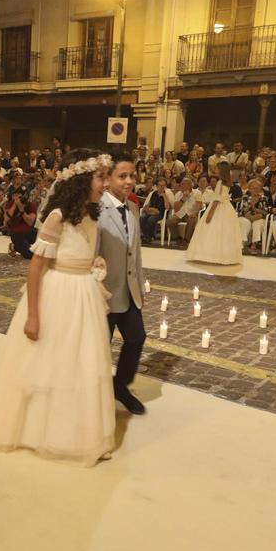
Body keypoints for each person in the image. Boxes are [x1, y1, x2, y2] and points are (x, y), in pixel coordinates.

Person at [0, 148, 116, 465]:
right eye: (100, 177)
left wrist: (90, 264)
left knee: (80, 362)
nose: (106, 184)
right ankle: (42, 432)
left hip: (83, 294)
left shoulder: (90, 215)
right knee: (53, 362)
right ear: (82, 179)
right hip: (59, 295)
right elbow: (36, 267)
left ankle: (77, 431)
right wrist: (32, 315)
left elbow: (76, 253)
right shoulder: (57, 218)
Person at [96, 151, 148, 414]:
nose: (129, 181)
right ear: (108, 178)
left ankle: (120, 386)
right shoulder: (97, 209)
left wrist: (140, 284)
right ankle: (94, 394)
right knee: (99, 348)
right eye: (122, 176)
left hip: (129, 292)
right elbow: (92, 254)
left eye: (132, 175)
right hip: (104, 294)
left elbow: (135, 252)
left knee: (137, 338)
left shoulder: (133, 208)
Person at [185, 161, 243, 265]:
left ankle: (210, 255)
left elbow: (217, 200)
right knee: (223, 233)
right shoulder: (227, 183)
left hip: (218, 208)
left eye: (216, 168)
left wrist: (210, 214)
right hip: (227, 208)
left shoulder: (220, 182)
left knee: (213, 230)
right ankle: (223, 255)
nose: (214, 170)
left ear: (221, 171)